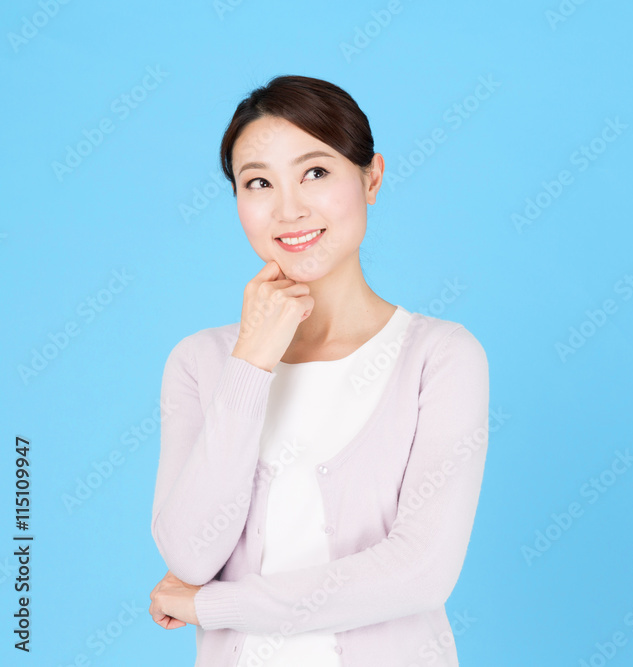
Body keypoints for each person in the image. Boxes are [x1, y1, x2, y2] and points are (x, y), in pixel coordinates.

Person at [147, 75, 490, 666]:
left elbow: (420, 573)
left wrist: (214, 607)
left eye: (315, 172)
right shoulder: (200, 361)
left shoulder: (441, 356)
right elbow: (190, 555)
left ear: (372, 177)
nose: (288, 208)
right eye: (258, 182)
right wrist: (251, 360)